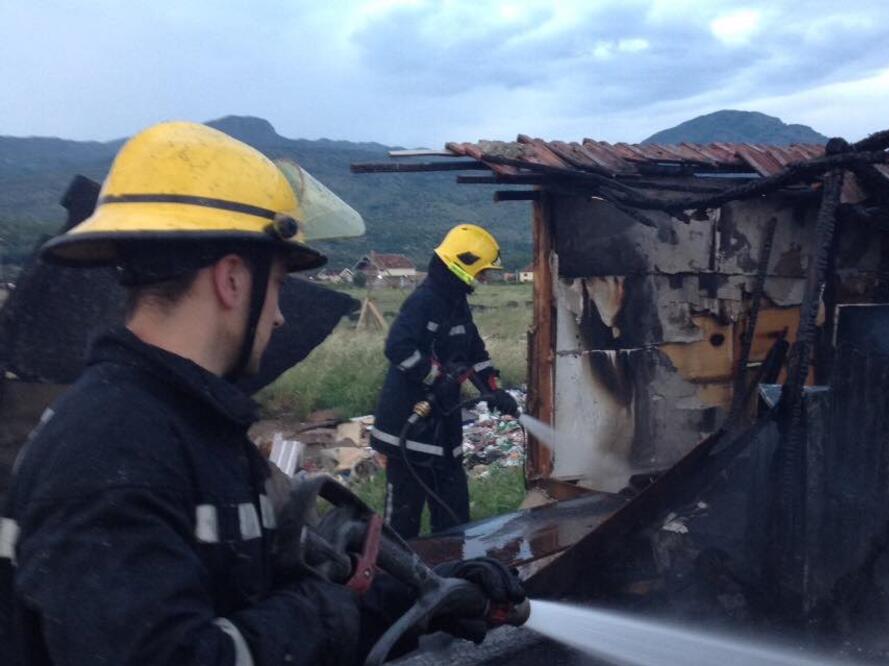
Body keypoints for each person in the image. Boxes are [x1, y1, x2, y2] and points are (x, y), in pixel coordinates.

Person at [0, 122, 523, 666]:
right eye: (276, 285)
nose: (278, 316)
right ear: (232, 280)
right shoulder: (111, 451)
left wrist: (428, 597)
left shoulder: (184, 428)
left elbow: (257, 605)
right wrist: (328, 611)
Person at [371, 225, 520, 539]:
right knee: (403, 525)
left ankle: (453, 566)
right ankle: (397, 570)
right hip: (408, 428)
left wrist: (494, 390)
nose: (483, 279)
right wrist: (435, 377)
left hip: (444, 428)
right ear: (463, 264)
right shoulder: (424, 301)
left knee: (455, 518)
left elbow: (474, 352)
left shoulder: (456, 303)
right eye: (481, 272)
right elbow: (397, 347)